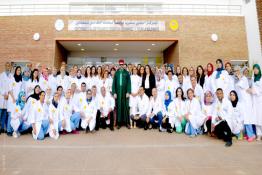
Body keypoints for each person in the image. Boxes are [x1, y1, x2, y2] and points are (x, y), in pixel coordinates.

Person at [235, 66, 256, 142]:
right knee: (244, 118)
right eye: (235, 71)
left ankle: (252, 135)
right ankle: (248, 134)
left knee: (248, 119)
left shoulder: (243, 79)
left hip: (247, 102)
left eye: (237, 70)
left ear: (240, 71)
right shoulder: (239, 80)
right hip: (242, 102)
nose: (236, 72)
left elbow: (245, 88)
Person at [112, 59, 131, 129]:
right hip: (118, 93)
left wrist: (128, 92)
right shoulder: (116, 73)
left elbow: (129, 83)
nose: (121, 66)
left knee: (125, 107)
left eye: (122, 64)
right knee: (119, 108)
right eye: (120, 65)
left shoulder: (127, 73)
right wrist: (114, 92)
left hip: (125, 93)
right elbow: (113, 83)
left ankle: (126, 123)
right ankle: (119, 123)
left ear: (124, 65)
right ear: (119, 65)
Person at [7, 66, 23, 136]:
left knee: (16, 115)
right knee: (11, 115)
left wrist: (19, 99)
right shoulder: (12, 78)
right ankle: (8, 130)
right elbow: (9, 90)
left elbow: (21, 91)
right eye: (18, 70)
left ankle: (14, 130)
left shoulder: (21, 79)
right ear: (15, 71)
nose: (19, 71)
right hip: (12, 99)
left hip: (17, 101)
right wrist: (13, 98)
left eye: (20, 70)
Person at [247, 64, 262, 141]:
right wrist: (250, 90)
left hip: (260, 101)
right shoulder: (253, 79)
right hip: (254, 101)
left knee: (260, 118)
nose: (255, 70)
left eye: (257, 69)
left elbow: (260, 90)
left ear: (259, 70)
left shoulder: (261, 78)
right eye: (254, 69)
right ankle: (259, 134)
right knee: (256, 118)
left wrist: (253, 91)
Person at [0, 62, 12, 134]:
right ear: (5, 66)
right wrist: (4, 94)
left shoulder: (11, 76)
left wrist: (8, 95)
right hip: (2, 97)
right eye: (7, 65)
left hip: (8, 97)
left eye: (9, 66)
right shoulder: (1, 75)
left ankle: (2, 128)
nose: (8, 67)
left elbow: (11, 86)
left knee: (5, 113)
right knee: (0, 112)